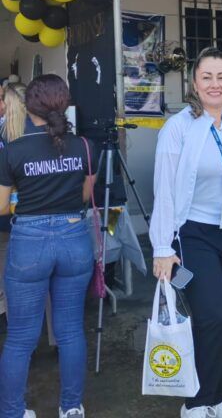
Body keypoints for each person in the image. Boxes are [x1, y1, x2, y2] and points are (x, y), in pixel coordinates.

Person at [150, 47, 222, 418]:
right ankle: (196, 401)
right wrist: (161, 247)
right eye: (207, 77)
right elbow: (164, 189)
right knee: (211, 313)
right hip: (195, 234)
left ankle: (219, 397)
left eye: (221, 77)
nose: (215, 84)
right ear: (194, 84)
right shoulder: (178, 128)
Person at [0, 74, 96, 418]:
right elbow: (85, 196)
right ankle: (71, 408)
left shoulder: (14, 150)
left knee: (21, 338)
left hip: (29, 243)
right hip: (74, 238)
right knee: (70, 331)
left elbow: (0, 206)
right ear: (64, 103)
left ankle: (12, 412)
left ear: (30, 108)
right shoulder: (85, 146)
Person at [0, 82, 27, 325]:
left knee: (7, 274)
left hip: (11, 219)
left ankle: (9, 318)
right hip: (31, 218)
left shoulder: (9, 141)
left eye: (2, 100)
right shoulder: (39, 136)